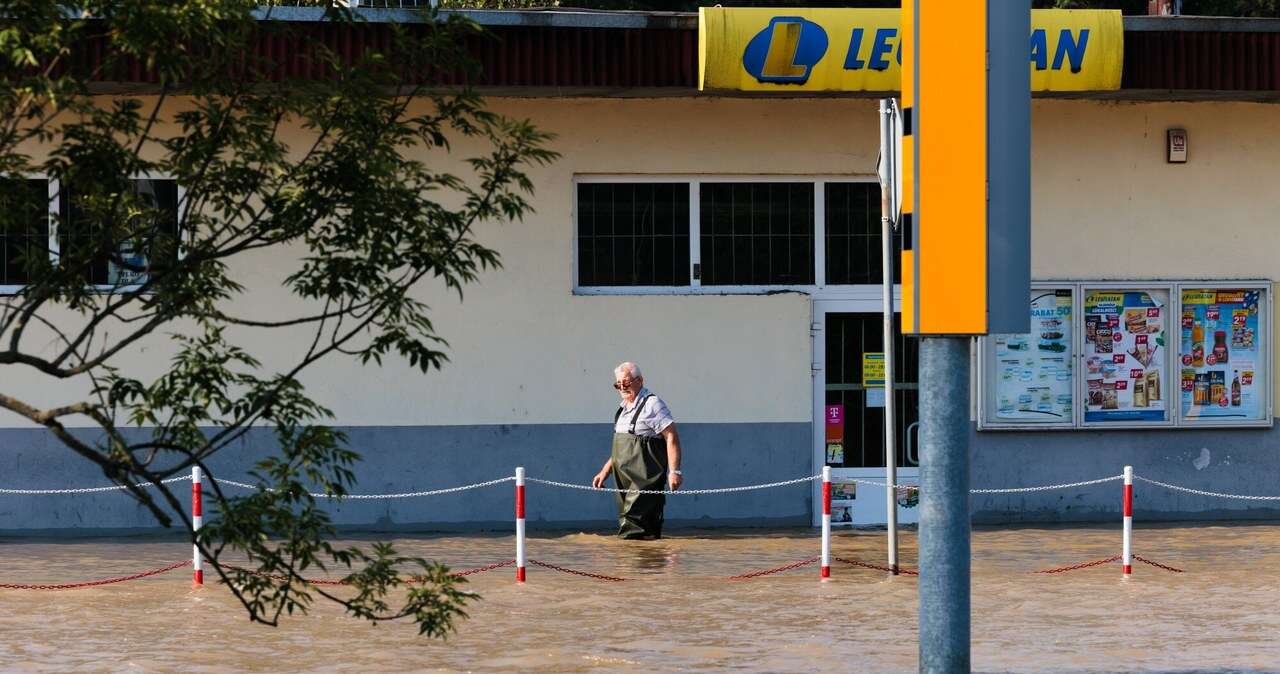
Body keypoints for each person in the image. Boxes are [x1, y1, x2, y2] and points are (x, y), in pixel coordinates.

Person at [591, 362, 682, 539]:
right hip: (623, 479)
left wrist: (674, 471)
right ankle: (637, 564)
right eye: (618, 384)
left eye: (626, 383)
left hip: (645, 479)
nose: (622, 388)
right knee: (628, 521)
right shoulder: (623, 409)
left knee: (635, 526)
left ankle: (633, 564)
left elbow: (671, 436)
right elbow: (621, 449)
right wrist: (605, 470)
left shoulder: (653, 404)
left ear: (639, 380)